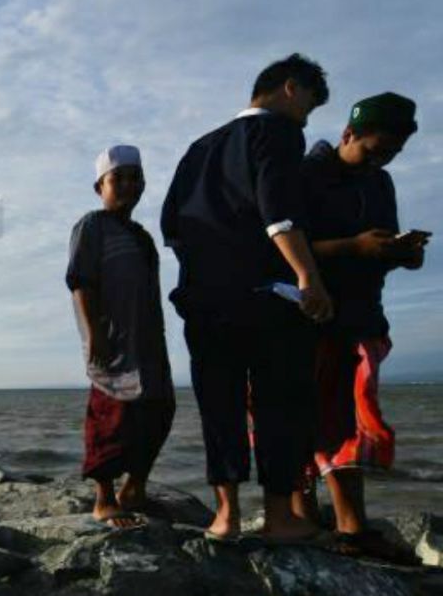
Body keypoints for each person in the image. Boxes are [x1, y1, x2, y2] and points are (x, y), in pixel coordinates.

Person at [160, 53, 334, 543]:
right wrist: (307, 276)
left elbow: (172, 224)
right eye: (310, 106)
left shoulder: (198, 147)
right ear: (291, 89)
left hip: (204, 299)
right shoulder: (277, 134)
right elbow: (277, 212)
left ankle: (226, 516)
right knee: (281, 402)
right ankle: (279, 516)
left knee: (221, 405)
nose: (306, 118)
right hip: (266, 298)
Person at [295, 92, 427, 562]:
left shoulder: (381, 183)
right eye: (373, 151)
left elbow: (378, 249)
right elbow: (285, 247)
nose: (380, 162)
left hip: (361, 315)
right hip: (308, 317)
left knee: (349, 421)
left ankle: (351, 526)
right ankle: (303, 521)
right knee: (303, 419)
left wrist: (402, 255)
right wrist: (354, 247)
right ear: (347, 134)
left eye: (390, 155)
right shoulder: (306, 174)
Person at [66, 145, 176, 528]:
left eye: (135, 178)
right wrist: (95, 332)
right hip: (110, 341)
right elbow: (80, 281)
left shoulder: (142, 237)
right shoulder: (91, 226)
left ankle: (135, 489)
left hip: (148, 341)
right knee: (110, 418)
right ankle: (104, 499)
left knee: (160, 410)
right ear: (100, 186)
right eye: (119, 178)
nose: (129, 184)